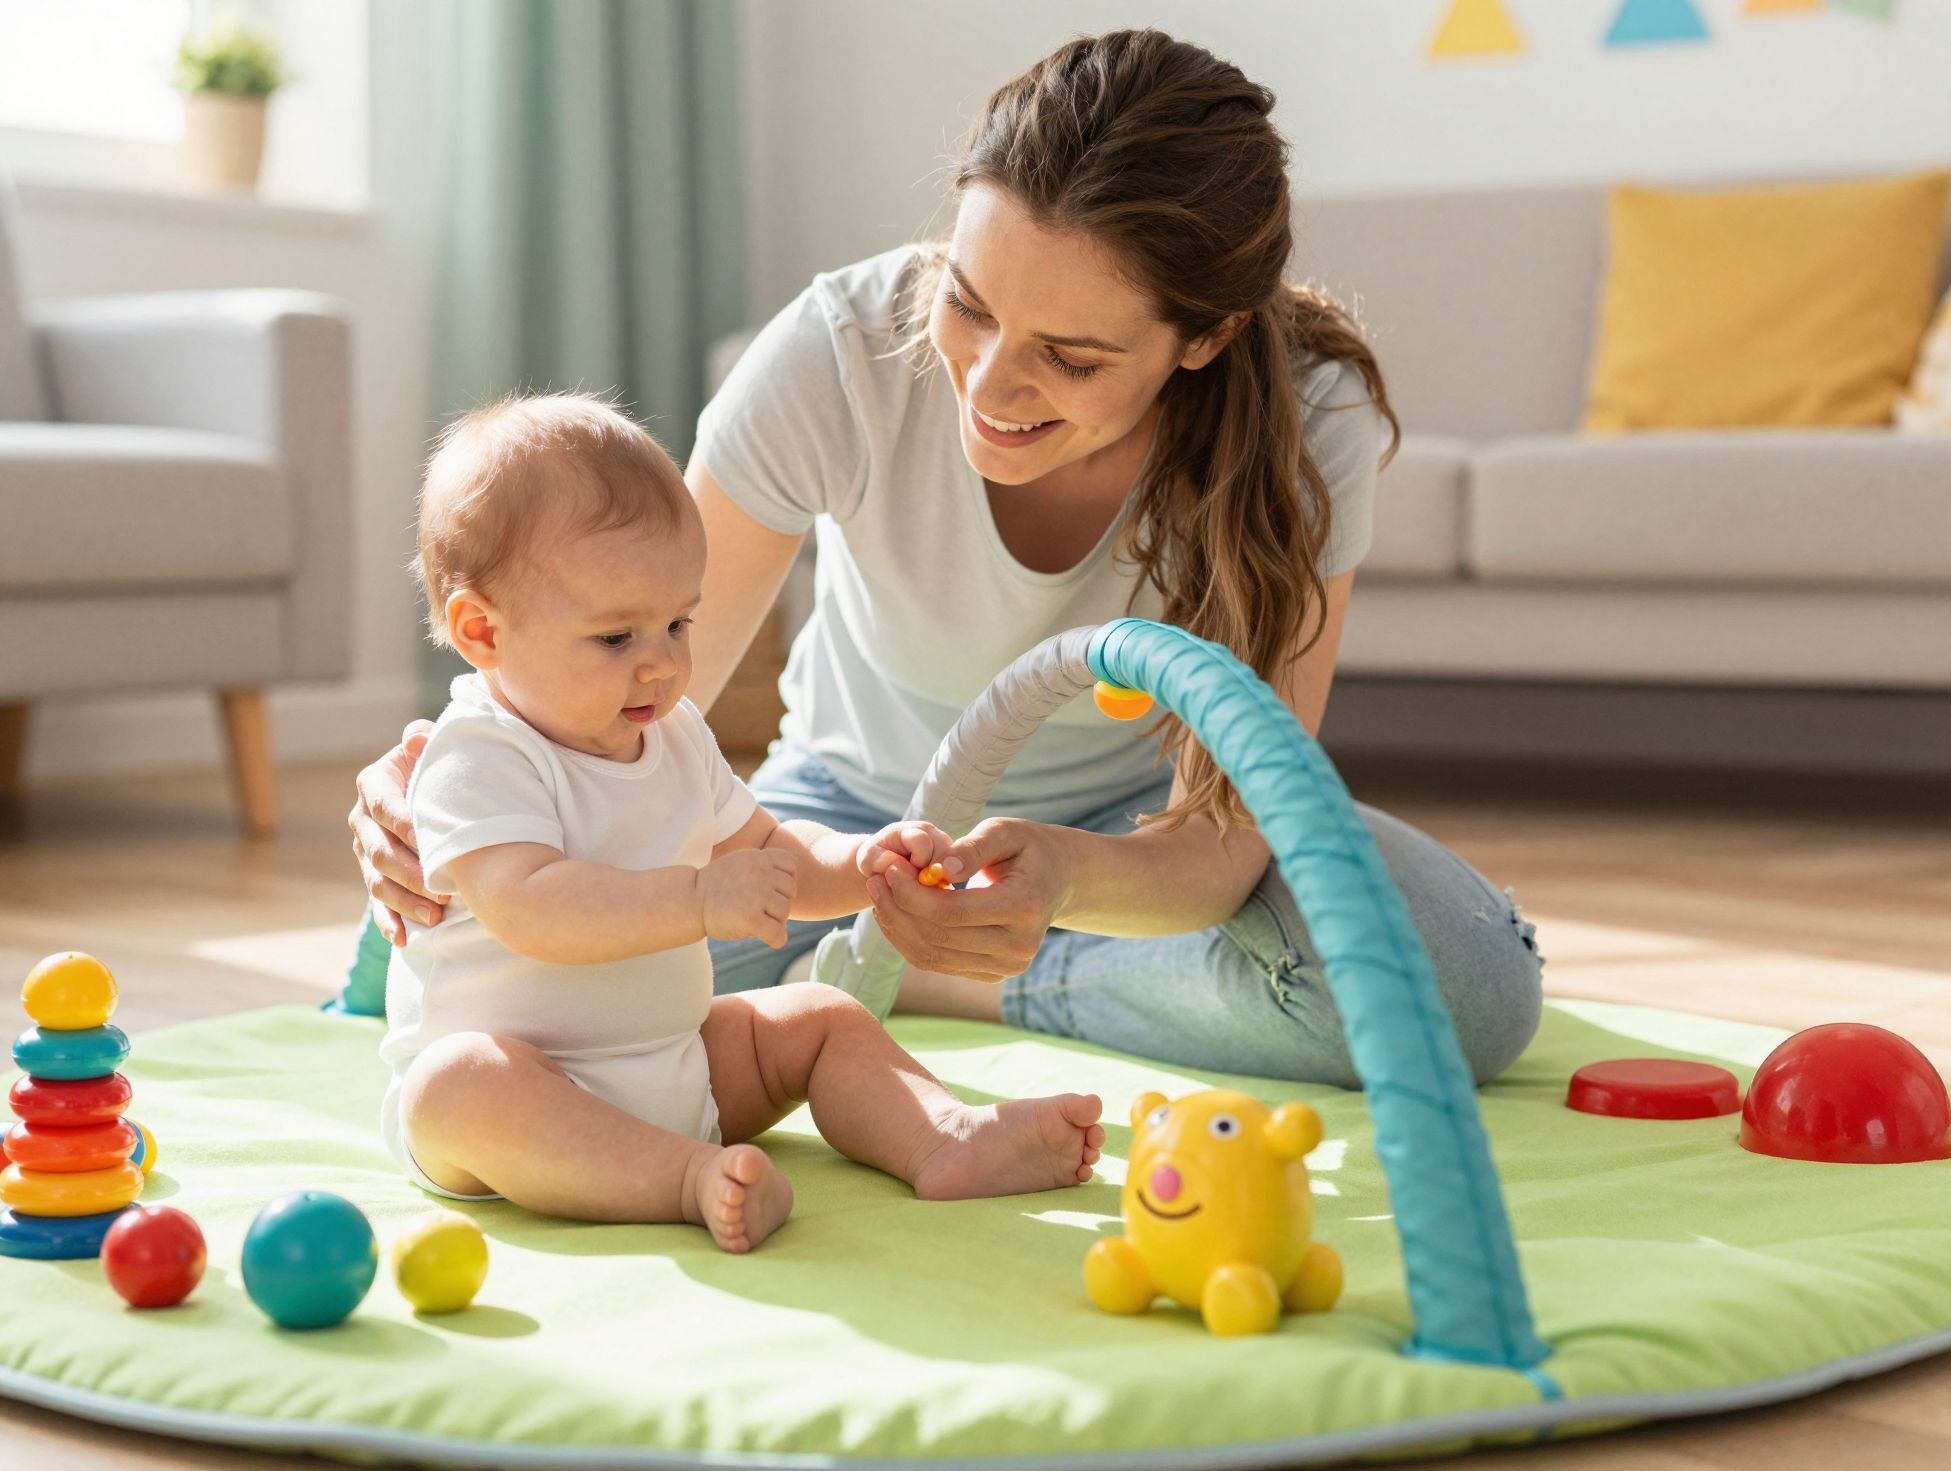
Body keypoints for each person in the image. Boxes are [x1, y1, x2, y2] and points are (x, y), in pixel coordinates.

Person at [348, 29, 1543, 1093]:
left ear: (1205, 337)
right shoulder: (838, 353)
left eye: (1070, 358)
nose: (988, 385)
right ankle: (893, 954)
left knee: (1461, 984)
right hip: (837, 827)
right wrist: (460, 780)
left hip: (1128, 845)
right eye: (969, 304)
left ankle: (946, 975)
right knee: (483, 968)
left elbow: (1227, 833)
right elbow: (635, 686)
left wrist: (1061, 879)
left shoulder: (1306, 417)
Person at [383, 395, 1104, 1253]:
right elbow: (534, 908)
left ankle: (944, 1136)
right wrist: (697, 900)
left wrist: (863, 862)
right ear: (481, 632)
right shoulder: (478, 754)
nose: (662, 663)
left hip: (681, 1064)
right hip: (523, 1096)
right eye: (615, 638)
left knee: (822, 1015)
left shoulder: (673, 735)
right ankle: (686, 1179)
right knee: (456, 1085)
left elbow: (768, 851)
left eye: (677, 622)